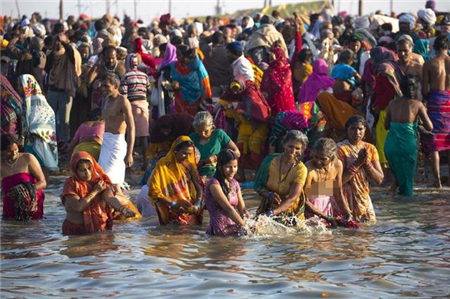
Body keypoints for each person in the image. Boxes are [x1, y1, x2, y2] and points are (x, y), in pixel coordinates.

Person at [61, 151, 137, 235]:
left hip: (99, 229)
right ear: (75, 170)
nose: (87, 173)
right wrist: (95, 191)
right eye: (82, 170)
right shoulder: (71, 184)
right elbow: (78, 207)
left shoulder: (99, 182)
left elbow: (110, 198)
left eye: (89, 168)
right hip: (76, 231)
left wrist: (122, 209)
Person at [385, 75, 433, 196]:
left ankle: (392, 202)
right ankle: (408, 212)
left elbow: (386, 125)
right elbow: (430, 127)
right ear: (416, 89)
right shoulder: (418, 105)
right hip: (407, 147)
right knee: (407, 185)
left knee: (400, 177)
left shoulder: (392, 103)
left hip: (390, 146)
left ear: (401, 88)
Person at [254, 130, 308, 225]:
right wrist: (269, 194)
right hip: (269, 205)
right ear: (283, 144)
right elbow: (258, 185)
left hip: (291, 211)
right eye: (290, 146)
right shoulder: (270, 161)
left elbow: (292, 198)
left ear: (302, 150)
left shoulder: (301, 169)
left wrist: (271, 213)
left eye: (297, 148)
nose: (293, 151)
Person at [337, 116, 384, 223]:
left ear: (365, 130)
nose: (357, 132)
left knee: (369, 232)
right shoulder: (340, 149)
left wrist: (367, 163)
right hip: (346, 197)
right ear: (347, 130)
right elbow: (338, 182)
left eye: (360, 129)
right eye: (353, 129)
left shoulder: (370, 148)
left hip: (364, 196)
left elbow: (379, 180)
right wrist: (358, 163)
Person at [148, 136, 203, 225]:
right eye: (184, 153)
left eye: (190, 154)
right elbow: (154, 191)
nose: (187, 156)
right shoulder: (164, 165)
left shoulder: (189, 165)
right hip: (171, 210)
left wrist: (197, 204)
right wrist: (174, 204)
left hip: (189, 209)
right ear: (175, 150)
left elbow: (198, 187)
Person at [97, 73, 135, 192]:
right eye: (102, 86)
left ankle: (123, 207)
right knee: (102, 179)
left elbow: (132, 127)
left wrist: (130, 153)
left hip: (117, 143)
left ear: (116, 85)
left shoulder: (123, 101)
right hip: (106, 142)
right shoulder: (106, 100)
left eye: (106, 86)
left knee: (113, 181)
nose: (103, 89)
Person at [421, 35, 450, 188]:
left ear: (434, 48)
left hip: (436, 103)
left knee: (435, 143)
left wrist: (425, 99)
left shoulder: (429, 64)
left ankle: (437, 181)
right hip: (449, 101)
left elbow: (424, 90)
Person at [304, 138, 353, 226]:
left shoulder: (338, 165)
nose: (318, 162)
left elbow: (338, 192)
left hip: (327, 206)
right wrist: (327, 218)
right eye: (316, 157)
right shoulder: (308, 168)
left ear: (332, 157)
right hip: (311, 209)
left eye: (323, 159)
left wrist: (348, 214)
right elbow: (305, 201)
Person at [45, 33, 81, 149]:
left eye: (60, 40)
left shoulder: (70, 54)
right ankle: (50, 141)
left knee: (65, 120)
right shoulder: (50, 55)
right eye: (56, 40)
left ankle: (65, 143)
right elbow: (47, 67)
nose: (58, 42)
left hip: (66, 90)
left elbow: (71, 54)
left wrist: (64, 42)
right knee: (49, 118)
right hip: (53, 90)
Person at [205, 149, 251, 236]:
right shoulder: (214, 184)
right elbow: (228, 208)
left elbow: (242, 209)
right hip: (218, 232)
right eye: (229, 167)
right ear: (220, 167)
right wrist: (245, 226)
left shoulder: (235, 184)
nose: (232, 170)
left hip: (235, 229)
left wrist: (251, 223)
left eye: (235, 166)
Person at [18, 74, 59, 172]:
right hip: (29, 142)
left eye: (20, 85)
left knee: (42, 168)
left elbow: (45, 124)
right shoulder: (25, 103)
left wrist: (34, 131)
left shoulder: (40, 104)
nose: (18, 87)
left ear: (27, 86)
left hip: (39, 142)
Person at [1, 134, 46, 220]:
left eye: (16, 149)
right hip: (11, 208)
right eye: (9, 151)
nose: (14, 153)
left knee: (31, 230)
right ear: (2, 151)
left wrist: (23, 191)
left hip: (32, 206)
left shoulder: (28, 158)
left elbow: (43, 182)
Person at [119, 53, 151, 164]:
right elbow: (149, 90)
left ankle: (128, 159)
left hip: (131, 106)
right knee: (144, 136)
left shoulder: (126, 76)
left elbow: (123, 94)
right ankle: (146, 163)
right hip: (143, 106)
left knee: (129, 134)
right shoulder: (144, 76)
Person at [189, 111, 240, 179]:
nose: (202, 134)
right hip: (197, 176)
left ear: (212, 126)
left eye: (206, 131)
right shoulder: (192, 138)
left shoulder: (219, 134)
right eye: (199, 131)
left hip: (217, 176)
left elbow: (237, 152)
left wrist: (216, 157)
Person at [170, 45, 212, 116]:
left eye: (179, 55)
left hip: (196, 98)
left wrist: (195, 55)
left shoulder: (196, 65)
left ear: (185, 55)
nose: (177, 57)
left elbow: (204, 78)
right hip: (181, 98)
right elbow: (174, 79)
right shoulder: (175, 66)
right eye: (176, 55)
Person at [261, 46, 297, 115]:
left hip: (283, 104)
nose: (270, 59)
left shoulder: (286, 71)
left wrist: (272, 74)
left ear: (278, 57)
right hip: (270, 104)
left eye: (272, 57)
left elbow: (281, 88)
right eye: (269, 57)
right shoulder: (269, 70)